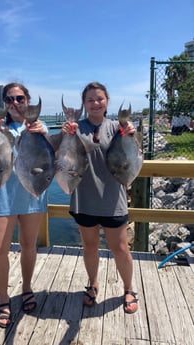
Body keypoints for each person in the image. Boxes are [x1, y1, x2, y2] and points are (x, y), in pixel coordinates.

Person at [62, 81, 138, 314]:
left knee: (121, 248)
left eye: (99, 99)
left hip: (113, 198)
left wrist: (133, 135)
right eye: (90, 100)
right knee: (90, 245)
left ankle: (129, 288)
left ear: (107, 102)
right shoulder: (75, 128)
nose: (95, 103)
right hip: (83, 197)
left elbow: (134, 156)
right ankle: (93, 284)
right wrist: (64, 135)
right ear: (84, 104)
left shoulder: (118, 127)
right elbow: (60, 156)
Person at [0, 82, 48, 328]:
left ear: (28, 100)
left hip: (32, 190)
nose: (15, 103)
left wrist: (44, 135)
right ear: (4, 103)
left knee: (28, 244)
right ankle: (3, 299)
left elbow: (53, 155)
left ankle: (27, 288)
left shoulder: (37, 127)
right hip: (3, 191)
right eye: (9, 100)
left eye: (19, 98)